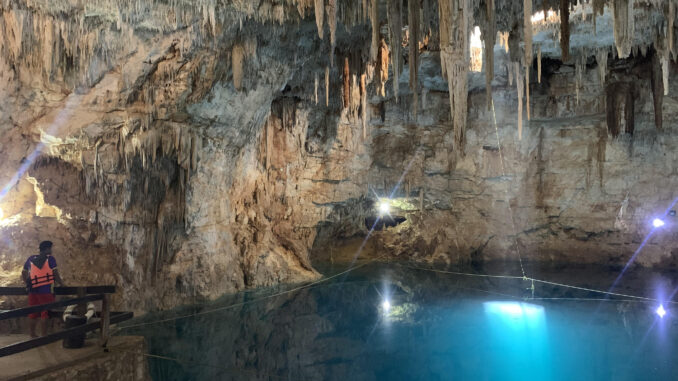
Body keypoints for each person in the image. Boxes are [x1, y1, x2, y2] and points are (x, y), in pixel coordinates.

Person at [21, 240, 64, 337]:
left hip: (33, 290)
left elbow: (23, 272)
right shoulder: (50, 259)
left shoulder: (31, 258)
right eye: (50, 248)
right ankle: (44, 335)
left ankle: (32, 334)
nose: (51, 250)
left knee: (33, 313)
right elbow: (55, 274)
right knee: (45, 313)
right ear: (47, 249)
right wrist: (62, 284)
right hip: (46, 290)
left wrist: (27, 284)